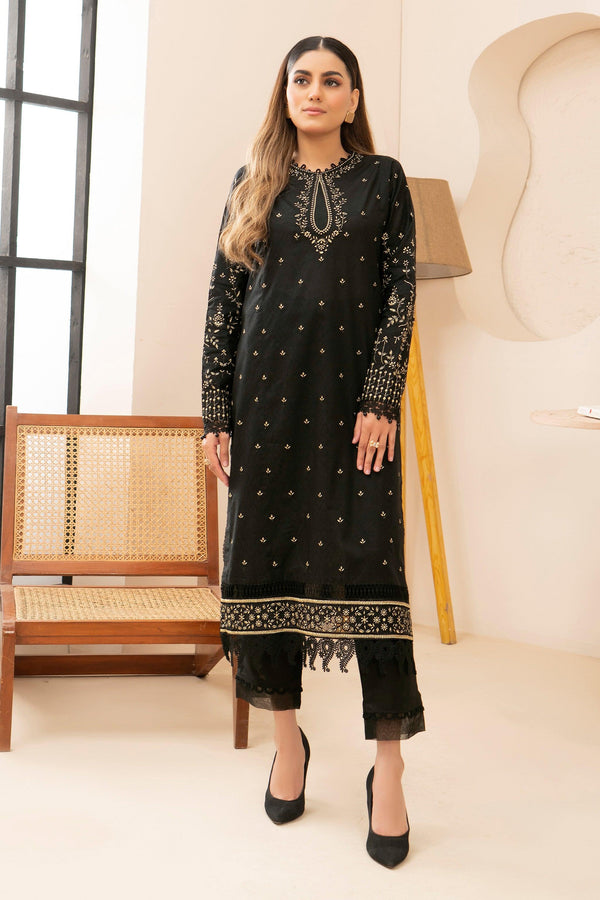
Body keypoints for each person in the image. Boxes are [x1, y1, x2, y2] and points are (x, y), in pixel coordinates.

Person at [201, 35, 425, 868]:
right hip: (265, 408)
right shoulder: (252, 182)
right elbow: (223, 306)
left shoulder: (384, 180)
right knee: (263, 569)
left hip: (355, 415)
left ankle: (388, 768)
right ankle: (287, 743)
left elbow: (400, 295)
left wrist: (381, 396)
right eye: (303, 79)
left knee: (373, 572)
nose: (316, 91)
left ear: (353, 98)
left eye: (333, 80)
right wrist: (215, 414)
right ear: (285, 91)